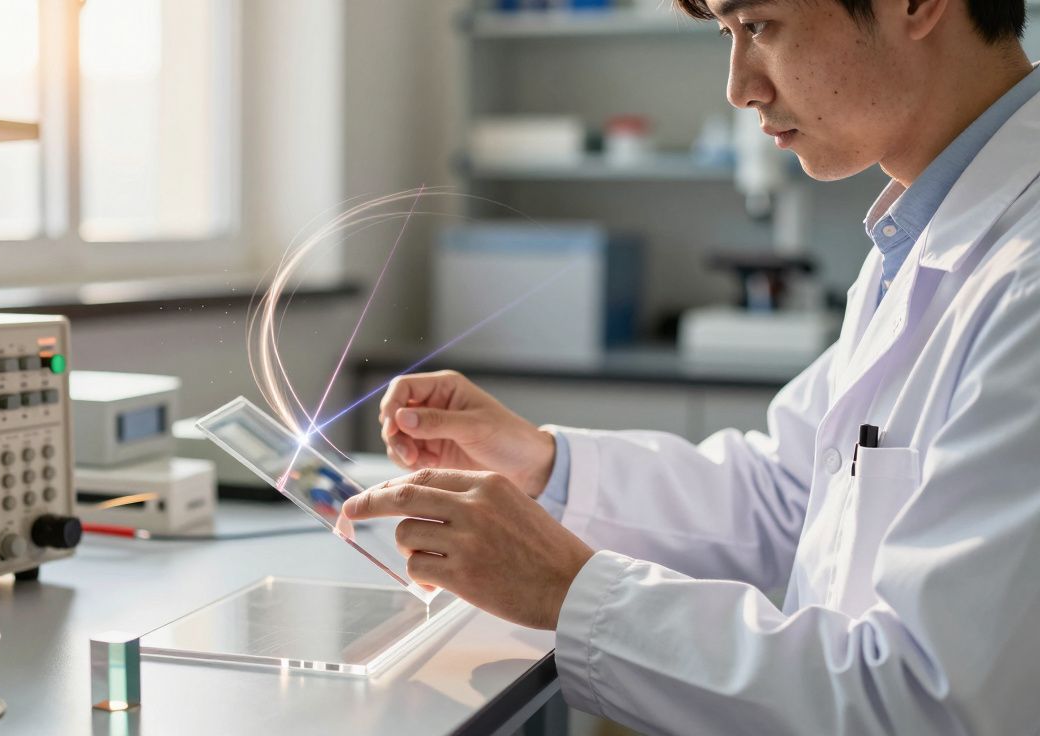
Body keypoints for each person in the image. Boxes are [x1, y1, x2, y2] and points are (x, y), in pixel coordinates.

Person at [340, 0, 1040, 732]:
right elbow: (789, 496)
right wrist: (543, 465)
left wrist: (570, 589)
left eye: (760, 26)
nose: (739, 87)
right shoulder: (922, 239)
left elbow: (929, 703)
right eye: (724, 33)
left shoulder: (1023, 281)